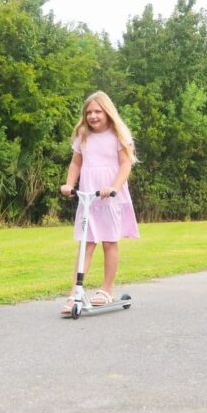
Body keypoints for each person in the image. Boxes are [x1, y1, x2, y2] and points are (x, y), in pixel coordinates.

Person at [59, 91, 140, 316]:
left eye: (97, 111)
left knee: (109, 241)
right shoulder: (83, 135)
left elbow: (126, 165)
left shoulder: (118, 134)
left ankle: (106, 290)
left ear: (107, 112)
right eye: (89, 112)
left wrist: (113, 186)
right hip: (88, 197)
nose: (93, 116)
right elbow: (76, 164)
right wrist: (68, 184)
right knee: (86, 243)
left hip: (110, 196)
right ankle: (75, 293)